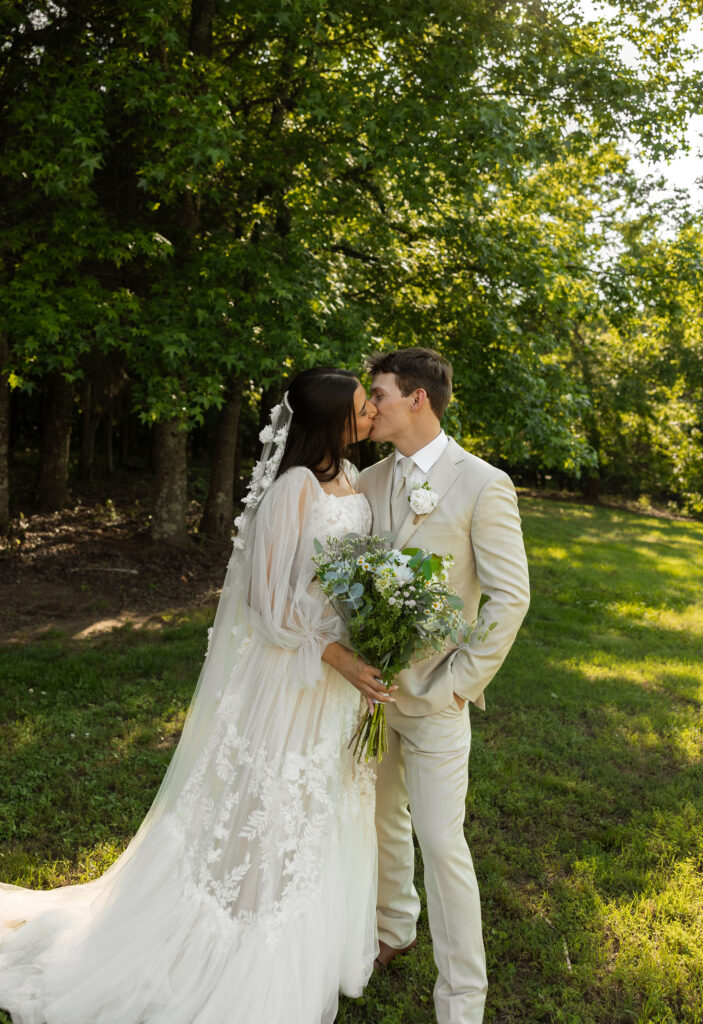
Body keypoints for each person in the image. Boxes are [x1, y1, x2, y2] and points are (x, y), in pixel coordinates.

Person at [0, 367, 391, 1024]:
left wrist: (375, 634)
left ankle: (300, 935)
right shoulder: (292, 489)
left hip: (335, 682)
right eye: (360, 408)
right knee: (265, 799)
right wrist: (339, 656)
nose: (371, 416)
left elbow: (348, 579)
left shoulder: (351, 480)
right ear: (326, 422)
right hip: (291, 674)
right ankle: (230, 938)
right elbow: (267, 608)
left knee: (314, 805)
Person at [357, 348, 530, 1024]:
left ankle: (461, 999)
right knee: (378, 821)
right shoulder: (367, 482)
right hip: (369, 696)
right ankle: (392, 928)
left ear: (417, 399)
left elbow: (509, 599)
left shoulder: (482, 483)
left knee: (440, 839)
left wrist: (458, 685)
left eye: (379, 393)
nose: (370, 405)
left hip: (435, 700)